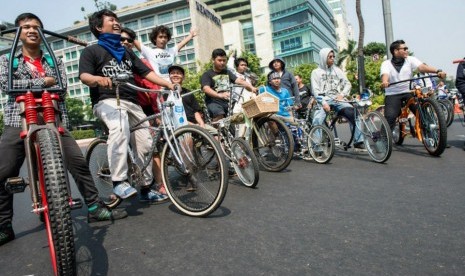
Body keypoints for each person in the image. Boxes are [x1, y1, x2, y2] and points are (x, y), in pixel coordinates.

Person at [0, 13, 127, 246]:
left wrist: (42, 84)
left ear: (42, 32)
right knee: (4, 168)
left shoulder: (53, 60)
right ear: (18, 34)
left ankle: (93, 205)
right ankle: (4, 224)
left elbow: (62, 86)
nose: (31, 30)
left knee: (77, 161)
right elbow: (8, 86)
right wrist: (42, 83)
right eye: (25, 27)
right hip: (18, 119)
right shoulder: (9, 60)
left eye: (36, 27)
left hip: (52, 116)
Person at [79, 9, 177, 203]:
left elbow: (145, 72)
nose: (117, 23)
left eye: (117, 20)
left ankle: (146, 187)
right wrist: (98, 79)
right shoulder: (91, 51)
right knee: (119, 125)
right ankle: (118, 181)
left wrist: (167, 84)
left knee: (145, 143)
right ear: (99, 27)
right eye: (111, 20)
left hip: (132, 102)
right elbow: (84, 76)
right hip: (107, 101)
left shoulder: (126, 52)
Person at [120, 27, 167, 199]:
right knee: (122, 147)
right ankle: (120, 184)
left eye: (129, 40)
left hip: (144, 110)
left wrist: (158, 114)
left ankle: (159, 184)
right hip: (118, 107)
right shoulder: (111, 61)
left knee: (150, 148)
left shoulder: (141, 63)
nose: (125, 43)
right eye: (121, 40)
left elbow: (154, 88)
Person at [380, 40, 447, 131]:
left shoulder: (410, 59)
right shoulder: (386, 63)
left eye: (407, 48)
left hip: (409, 92)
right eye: (404, 48)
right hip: (393, 94)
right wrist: (385, 81)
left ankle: (437, 139)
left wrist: (437, 71)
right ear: (395, 51)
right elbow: (385, 74)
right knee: (390, 117)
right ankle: (384, 140)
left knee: (422, 112)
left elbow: (422, 67)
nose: (407, 50)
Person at [311, 48, 364, 149]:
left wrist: (342, 94)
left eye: (333, 56)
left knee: (355, 114)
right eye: (330, 57)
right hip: (324, 100)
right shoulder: (316, 72)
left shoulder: (337, 70)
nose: (332, 59)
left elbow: (347, 84)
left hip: (338, 99)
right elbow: (315, 90)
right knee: (317, 120)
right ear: (323, 57)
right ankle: (317, 146)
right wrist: (323, 102)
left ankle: (358, 141)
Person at [201, 48, 257, 122]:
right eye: (219, 60)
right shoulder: (207, 74)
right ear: (213, 60)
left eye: (224, 60)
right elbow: (206, 88)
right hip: (213, 102)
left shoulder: (227, 72)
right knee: (219, 115)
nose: (222, 63)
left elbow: (239, 81)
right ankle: (214, 133)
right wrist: (219, 95)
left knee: (242, 116)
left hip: (228, 103)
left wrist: (251, 87)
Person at [133, 25, 198, 81]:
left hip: (172, 84)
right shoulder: (149, 52)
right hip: (158, 85)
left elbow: (183, 43)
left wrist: (191, 35)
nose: (163, 39)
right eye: (160, 37)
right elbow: (135, 42)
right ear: (155, 39)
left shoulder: (172, 51)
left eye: (165, 37)